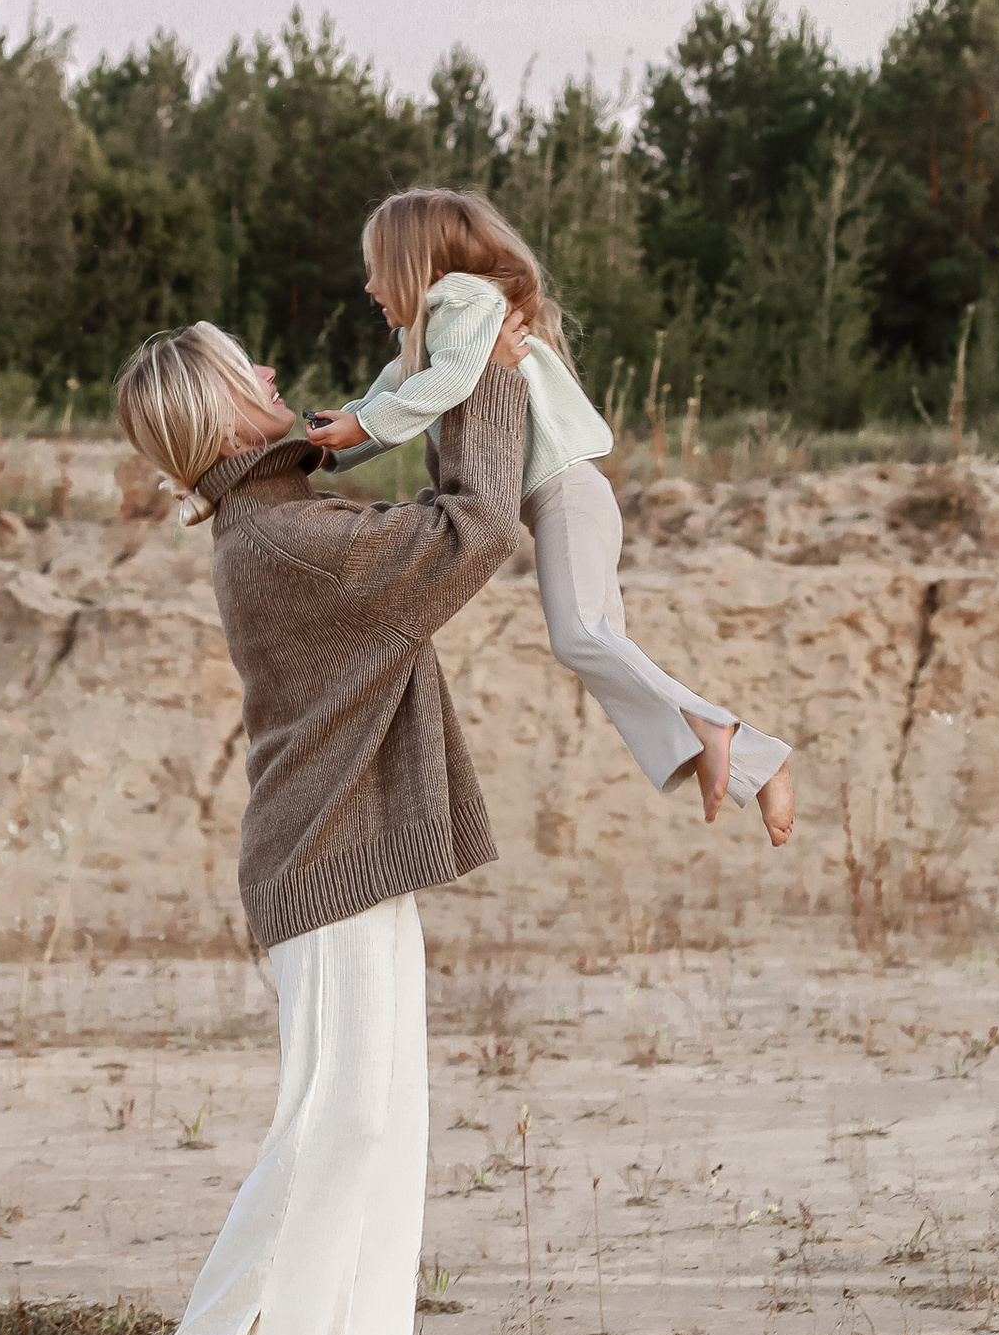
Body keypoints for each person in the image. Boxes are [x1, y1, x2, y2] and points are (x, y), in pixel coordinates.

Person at [111, 308, 530, 1335]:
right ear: (218, 411)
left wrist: (427, 388)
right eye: (250, 367)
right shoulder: (291, 540)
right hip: (323, 859)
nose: (273, 369)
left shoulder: (284, 517)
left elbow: (432, 511)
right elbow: (478, 528)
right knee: (338, 1119)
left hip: (355, 848)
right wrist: (479, 381)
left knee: (383, 1119)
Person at [307, 189, 797, 846]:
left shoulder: (465, 300)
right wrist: (320, 447)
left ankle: (739, 748)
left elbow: (446, 386)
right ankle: (722, 748)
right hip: (563, 501)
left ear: (418, 265)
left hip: (567, 492)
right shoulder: (421, 336)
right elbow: (382, 403)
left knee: (581, 637)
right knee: (600, 646)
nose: (368, 286)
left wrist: (363, 423)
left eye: (377, 269)